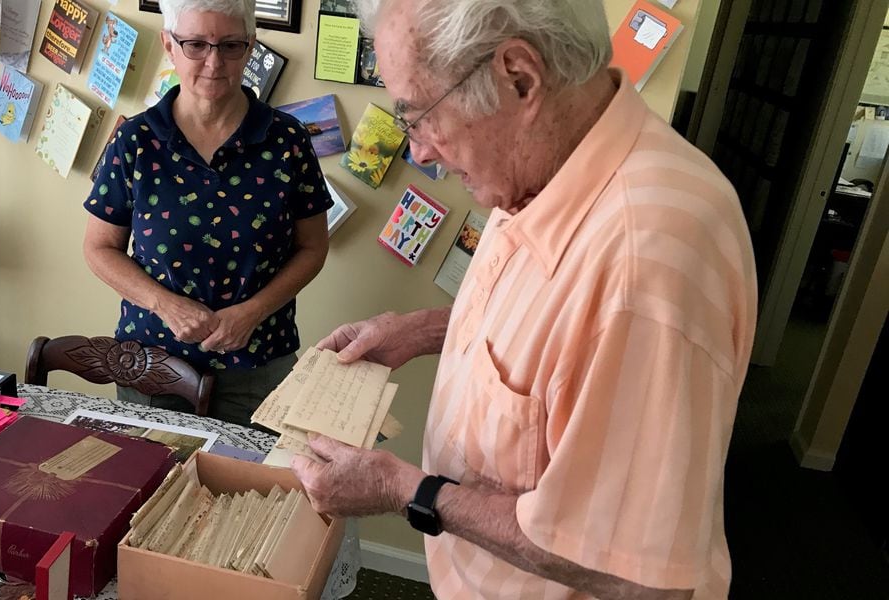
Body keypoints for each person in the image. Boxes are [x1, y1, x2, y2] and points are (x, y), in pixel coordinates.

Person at [290, 1, 757, 598]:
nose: (421, 151)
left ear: (518, 76)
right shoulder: (544, 168)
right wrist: (422, 329)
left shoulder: (647, 264)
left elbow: (632, 571)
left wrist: (404, 490)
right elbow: (557, 334)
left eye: (419, 115)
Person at [83, 0, 332, 427]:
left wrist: (252, 312)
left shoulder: (288, 140)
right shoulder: (135, 141)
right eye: (196, 44)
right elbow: (99, 248)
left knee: (250, 486)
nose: (214, 62)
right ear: (169, 45)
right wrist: (166, 304)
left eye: (230, 46)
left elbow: (312, 247)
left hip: (259, 364)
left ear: (250, 47)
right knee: (151, 485)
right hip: (152, 365)